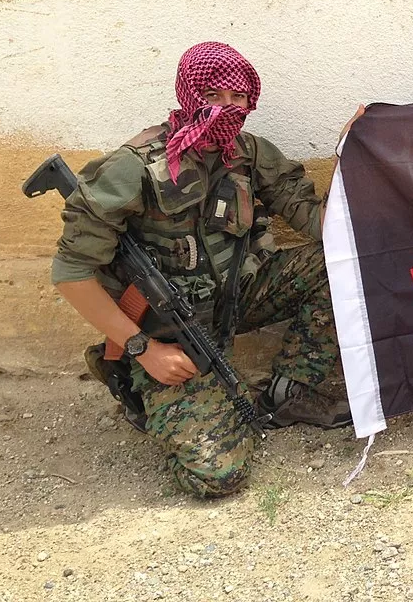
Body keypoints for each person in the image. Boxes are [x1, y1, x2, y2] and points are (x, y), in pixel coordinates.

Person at [51, 41, 359, 498]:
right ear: (189, 94)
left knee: (343, 267)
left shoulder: (249, 153)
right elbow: (70, 273)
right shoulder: (133, 168)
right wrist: (142, 348)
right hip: (168, 332)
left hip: (239, 298)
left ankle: (289, 393)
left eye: (238, 99)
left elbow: (324, 227)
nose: (227, 109)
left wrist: (348, 154)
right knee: (218, 475)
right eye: (214, 97)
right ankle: (131, 378)